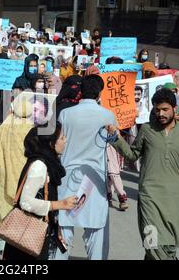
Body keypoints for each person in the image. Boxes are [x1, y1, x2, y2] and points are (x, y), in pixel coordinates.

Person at [107, 88, 179, 260]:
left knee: (169, 245)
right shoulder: (147, 130)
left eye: (164, 109)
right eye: (157, 109)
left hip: (176, 197)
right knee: (152, 242)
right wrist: (116, 139)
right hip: (150, 196)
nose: (160, 113)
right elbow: (133, 154)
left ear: (174, 108)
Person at [55, 74, 115, 260]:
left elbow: (58, 143)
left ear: (80, 91)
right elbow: (114, 141)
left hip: (67, 177)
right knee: (96, 230)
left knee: (63, 230)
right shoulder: (107, 115)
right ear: (99, 93)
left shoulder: (66, 114)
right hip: (94, 180)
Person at [3, 123, 78, 260]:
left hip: (35, 234)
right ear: (50, 143)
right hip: (26, 238)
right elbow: (25, 202)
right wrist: (60, 204)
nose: (65, 140)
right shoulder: (40, 166)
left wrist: (56, 228)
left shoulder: (48, 163)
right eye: (61, 138)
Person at [0, 97, 35, 256]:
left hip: (0, 179)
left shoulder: (2, 127)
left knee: (2, 213)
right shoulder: (31, 131)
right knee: (22, 215)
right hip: (24, 182)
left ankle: (1, 250)